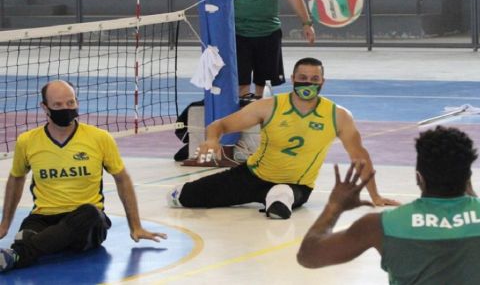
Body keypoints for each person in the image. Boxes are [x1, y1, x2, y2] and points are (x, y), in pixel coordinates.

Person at [297, 126, 480, 284]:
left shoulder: (381, 225)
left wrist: (334, 207)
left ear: (419, 177)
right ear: (468, 177)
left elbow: (309, 257)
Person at [168, 57, 398, 219]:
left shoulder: (338, 116)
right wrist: (212, 140)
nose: (308, 83)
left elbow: (360, 157)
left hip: (297, 185)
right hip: (252, 175)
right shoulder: (269, 107)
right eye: (303, 77)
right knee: (182, 197)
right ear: (292, 79)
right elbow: (221, 125)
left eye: (314, 79)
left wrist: (375, 195)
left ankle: (278, 202)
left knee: (283, 194)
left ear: (323, 82)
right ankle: (185, 193)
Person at [0, 80, 167, 272]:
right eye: (58, 105)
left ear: (77, 101)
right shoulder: (27, 141)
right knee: (28, 235)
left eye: (71, 103)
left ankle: (18, 255)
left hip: (87, 221)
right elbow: (16, 178)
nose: (66, 108)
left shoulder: (99, 138)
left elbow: (122, 179)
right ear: (44, 108)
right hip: (43, 217)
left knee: (89, 213)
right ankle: (26, 251)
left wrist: (135, 225)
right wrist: (5, 224)